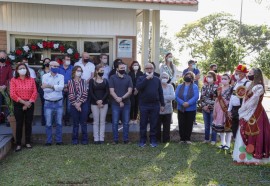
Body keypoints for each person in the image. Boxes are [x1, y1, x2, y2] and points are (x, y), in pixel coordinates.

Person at [233, 68, 270, 164]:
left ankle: (253, 158)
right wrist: (242, 110)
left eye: (250, 73)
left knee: (254, 134)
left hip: (256, 113)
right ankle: (243, 156)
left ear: (256, 75)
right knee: (244, 131)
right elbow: (245, 100)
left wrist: (242, 110)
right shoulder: (250, 85)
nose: (248, 74)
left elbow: (253, 102)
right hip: (247, 111)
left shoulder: (259, 87)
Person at [10, 63, 37, 152]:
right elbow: (13, 94)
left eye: (24, 68)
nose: (22, 70)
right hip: (18, 104)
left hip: (30, 103)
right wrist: (24, 103)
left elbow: (35, 92)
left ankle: (28, 142)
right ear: (17, 70)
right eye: (20, 68)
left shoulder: (31, 80)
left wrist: (28, 103)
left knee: (29, 123)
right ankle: (18, 144)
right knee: (19, 123)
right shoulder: (13, 80)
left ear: (27, 69)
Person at [136, 63, 165, 147]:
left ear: (153, 69)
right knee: (143, 124)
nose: (149, 70)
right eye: (147, 68)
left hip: (155, 105)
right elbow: (138, 87)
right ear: (144, 69)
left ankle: (153, 140)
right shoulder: (141, 78)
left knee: (154, 124)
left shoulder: (157, 79)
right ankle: (142, 140)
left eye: (151, 68)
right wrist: (146, 79)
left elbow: (160, 92)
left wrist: (162, 104)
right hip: (143, 105)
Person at [109, 62, 133, 144]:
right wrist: (118, 99)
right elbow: (111, 91)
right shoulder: (112, 78)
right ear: (117, 69)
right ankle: (115, 140)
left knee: (126, 122)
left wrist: (121, 99)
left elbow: (130, 91)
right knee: (115, 122)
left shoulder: (128, 77)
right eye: (121, 68)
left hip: (126, 103)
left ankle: (126, 139)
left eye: (124, 68)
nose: (123, 69)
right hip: (115, 104)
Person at [41, 61, 64, 146]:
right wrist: (55, 87)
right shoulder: (45, 76)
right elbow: (45, 90)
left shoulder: (61, 76)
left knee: (59, 123)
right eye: (54, 66)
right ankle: (48, 141)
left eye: (57, 66)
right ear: (50, 66)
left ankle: (59, 140)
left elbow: (61, 88)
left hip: (59, 102)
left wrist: (49, 86)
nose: (55, 67)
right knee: (48, 123)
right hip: (48, 103)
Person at [228, 64, 251, 138]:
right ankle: (235, 147)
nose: (236, 74)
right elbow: (232, 97)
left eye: (238, 72)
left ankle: (240, 147)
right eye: (236, 72)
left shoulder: (247, 84)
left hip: (242, 109)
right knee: (234, 128)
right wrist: (229, 110)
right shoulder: (236, 83)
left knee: (241, 130)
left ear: (243, 74)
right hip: (234, 110)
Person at [175, 71, 199, 144]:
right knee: (181, 123)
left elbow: (196, 96)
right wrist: (182, 103)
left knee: (189, 124)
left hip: (191, 108)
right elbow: (176, 96)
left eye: (190, 76)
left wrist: (188, 103)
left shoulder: (195, 86)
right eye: (186, 76)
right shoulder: (179, 86)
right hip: (181, 108)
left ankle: (187, 139)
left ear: (192, 78)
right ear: (184, 77)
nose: (188, 77)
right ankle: (182, 139)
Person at [68, 66, 89, 145]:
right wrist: (76, 104)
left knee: (83, 122)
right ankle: (75, 139)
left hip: (83, 104)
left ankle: (84, 139)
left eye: (80, 71)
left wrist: (79, 103)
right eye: (78, 70)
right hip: (74, 104)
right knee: (75, 123)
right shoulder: (70, 82)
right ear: (74, 72)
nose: (79, 72)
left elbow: (85, 93)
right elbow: (70, 94)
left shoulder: (84, 81)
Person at [89, 64, 109, 144]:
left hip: (104, 103)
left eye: (103, 71)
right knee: (96, 121)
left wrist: (101, 101)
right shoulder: (92, 81)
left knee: (102, 121)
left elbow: (107, 92)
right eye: (101, 71)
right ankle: (96, 138)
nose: (102, 72)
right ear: (96, 71)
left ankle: (101, 138)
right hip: (94, 103)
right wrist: (97, 101)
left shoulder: (105, 80)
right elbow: (91, 92)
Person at [212, 74, 233, 150]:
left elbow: (233, 100)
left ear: (229, 80)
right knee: (220, 127)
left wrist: (229, 110)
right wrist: (214, 110)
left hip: (227, 109)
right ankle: (223, 143)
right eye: (222, 78)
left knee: (228, 127)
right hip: (218, 109)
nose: (223, 80)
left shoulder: (232, 89)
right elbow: (216, 100)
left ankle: (228, 144)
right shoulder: (219, 89)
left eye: (225, 79)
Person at [200, 71, 218, 145]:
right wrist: (204, 106)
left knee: (213, 125)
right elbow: (201, 98)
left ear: (214, 78)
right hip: (205, 109)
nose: (208, 78)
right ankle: (206, 139)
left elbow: (217, 99)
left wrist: (209, 106)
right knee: (206, 125)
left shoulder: (217, 87)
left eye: (210, 76)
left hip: (213, 109)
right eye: (207, 76)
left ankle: (213, 140)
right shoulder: (204, 87)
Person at [156, 72, 174, 143]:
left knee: (167, 126)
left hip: (168, 109)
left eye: (166, 77)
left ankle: (166, 140)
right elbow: (156, 97)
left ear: (168, 78)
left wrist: (162, 97)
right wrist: (166, 98)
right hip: (158, 108)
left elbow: (173, 96)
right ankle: (157, 139)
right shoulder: (157, 86)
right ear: (160, 78)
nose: (164, 78)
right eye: (163, 77)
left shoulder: (171, 86)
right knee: (157, 126)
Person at [59, 55, 73, 126]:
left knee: (69, 107)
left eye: (69, 59)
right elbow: (57, 78)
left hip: (70, 89)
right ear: (63, 60)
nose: (68, 61)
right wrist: (63, 85)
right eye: (67, 59)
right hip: (60, 89)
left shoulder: (72, 68)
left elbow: (74, 78)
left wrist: (68, 85)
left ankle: (67, 120)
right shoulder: (59, 68)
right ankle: (60, 121)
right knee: (60, 106)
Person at [36, 58, 51, 126]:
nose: (47, 63)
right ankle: (44, 121)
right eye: (46, 62)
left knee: (50, 105)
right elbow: (37, 80)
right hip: (42, 89)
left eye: (48, 62)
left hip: (51, 89)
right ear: (44, 63)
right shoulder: (40, 71)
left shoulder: (52, 71)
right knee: (44, 105)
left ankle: (50, 121)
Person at [0, 51, 13, 124]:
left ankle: (8, 120)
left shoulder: (8, 67)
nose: (2, 58)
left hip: (6, 88)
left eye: (4, 57)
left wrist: (5, 85)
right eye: (1, 57)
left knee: (8, 104)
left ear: (6, 58)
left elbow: (10, 78)